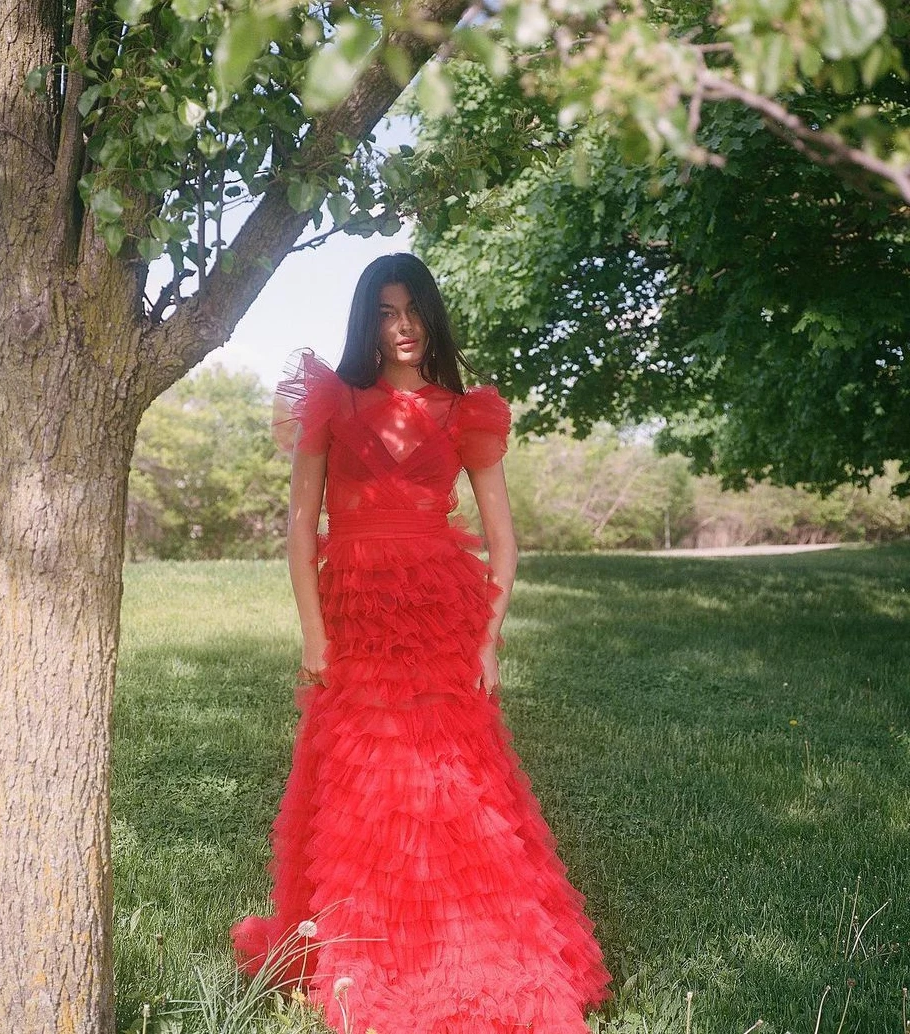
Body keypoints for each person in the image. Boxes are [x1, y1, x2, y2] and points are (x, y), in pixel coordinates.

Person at [231, 253, 610, 1033]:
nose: (401, 327)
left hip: (440, 617)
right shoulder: (333, 404)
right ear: (366, 321)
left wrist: (490, 635)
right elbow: (300, 530)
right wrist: (313, 631)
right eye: (384, 312)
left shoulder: (462, 411)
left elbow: (502, 542)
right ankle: (361, 947)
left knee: (452, 781)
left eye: (412, 311)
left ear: (430, 317)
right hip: (356, 616)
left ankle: (465, 948)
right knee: (363, 779)